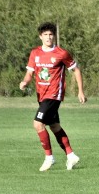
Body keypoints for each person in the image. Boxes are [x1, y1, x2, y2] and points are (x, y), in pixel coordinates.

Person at [19, 22, 86, 172]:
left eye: (51, 35)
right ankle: (71, 155)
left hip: (54, 94)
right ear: (40, 36)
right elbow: (30, 73)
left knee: (37, 124)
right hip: (41, 95)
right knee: (54, 126)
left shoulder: (61, 53)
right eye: (46, 35)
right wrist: (25, 81)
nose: (49, 37)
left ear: (54, 36)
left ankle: (49, 157)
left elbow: (76, 70)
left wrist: (80, 91)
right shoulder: (35, 53)